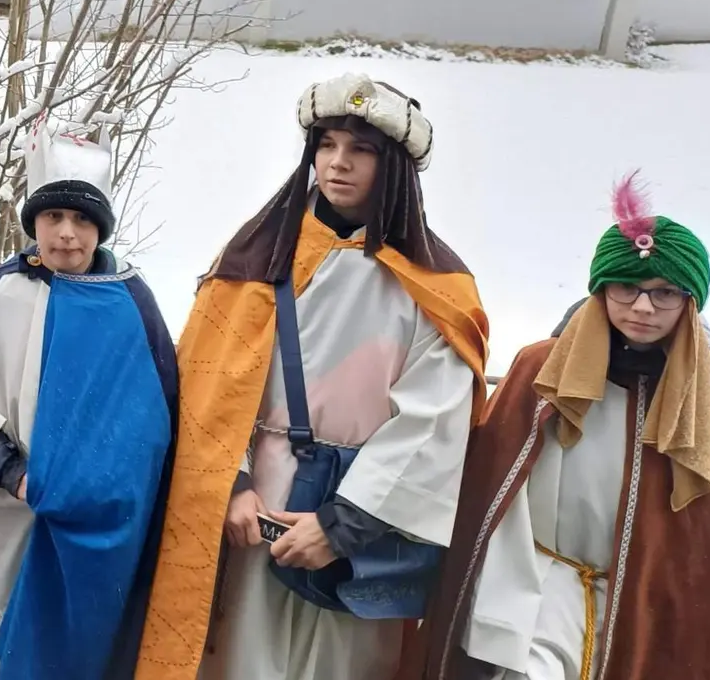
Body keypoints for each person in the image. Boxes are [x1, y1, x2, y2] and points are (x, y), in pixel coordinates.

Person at [135, 73, 491, 680]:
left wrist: (341, 525)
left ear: (396, 166)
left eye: (362, 150)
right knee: (242, 659)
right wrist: (234, 484)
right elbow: (204, 390)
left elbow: (434, 423)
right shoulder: (252, 261)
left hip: (369, 518)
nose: (338, 163)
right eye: (326, 145)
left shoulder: (437, 287)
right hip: (258, 506)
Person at [403, 173, 710, 680]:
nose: (643, 307)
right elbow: (484, 489)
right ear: (601, 290)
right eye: (627, 287)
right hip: (535, 587)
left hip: (645, 603)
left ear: (689, 304)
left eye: (665, 293)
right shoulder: (540, 370)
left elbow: (706, 551)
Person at [0, 121, 179, 680]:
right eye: (53, 217)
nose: (67, 233)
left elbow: (160, 409)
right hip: (19, 511)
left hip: (112, 520)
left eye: (83, 219)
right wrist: (13, 472)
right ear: (33, 222)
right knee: (22, 640)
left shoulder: (133, 303)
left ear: (101, 228)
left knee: (100, 644)